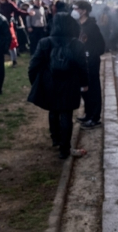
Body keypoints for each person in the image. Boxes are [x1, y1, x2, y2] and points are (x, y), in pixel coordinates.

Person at [28, 13, 88, 159]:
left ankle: (55, 138)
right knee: (66, 114)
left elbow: (33, 65)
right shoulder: (77, 44)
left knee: (53, 110)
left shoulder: (44, 42)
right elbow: (83, 67)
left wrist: (35, 82)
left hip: (50, 81)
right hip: (70, 82)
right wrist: (84, 84)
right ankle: (64, 149)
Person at [72, 1, 106, 129]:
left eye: (76, 8)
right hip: (80, 62)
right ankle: (88, 113)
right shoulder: (77, 25)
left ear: (84, 11)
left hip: (90, 62)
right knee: (84, 89)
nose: (74, 10)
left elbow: (101, 46)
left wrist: (91, 55)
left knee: (93, 89)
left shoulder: (92, 26)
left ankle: (95, 117)